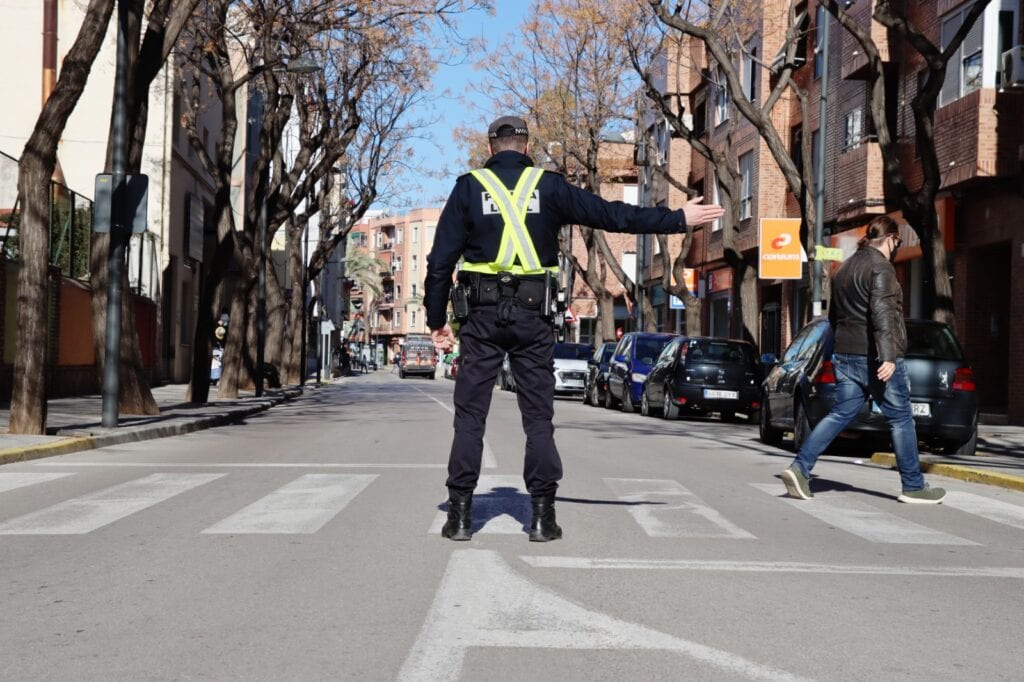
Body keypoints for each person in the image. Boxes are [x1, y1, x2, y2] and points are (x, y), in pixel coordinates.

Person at [425, 115, 725, 542]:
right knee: (538, 418)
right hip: (533, 317)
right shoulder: (549, 187)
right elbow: (611, 215)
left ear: (490, 149)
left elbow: (440, 262)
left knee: (471, 416)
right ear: (527, 148)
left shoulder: (469, 188)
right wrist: (677, 217)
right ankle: (542, 518)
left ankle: (459, 517)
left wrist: (437, 321)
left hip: (482, 317)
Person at [780, 215, 945, 504]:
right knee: (901, 418)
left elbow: (833, 318)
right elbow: (882, 313)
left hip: (845, 354)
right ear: (891, 238)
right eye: (898, 242)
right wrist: (888, 356)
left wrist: (836, 350)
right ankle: (913, 486)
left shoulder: (844, 269)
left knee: (841, 413)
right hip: (875, 357)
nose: (897, 247)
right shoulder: (881, 268)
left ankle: (800, 468)